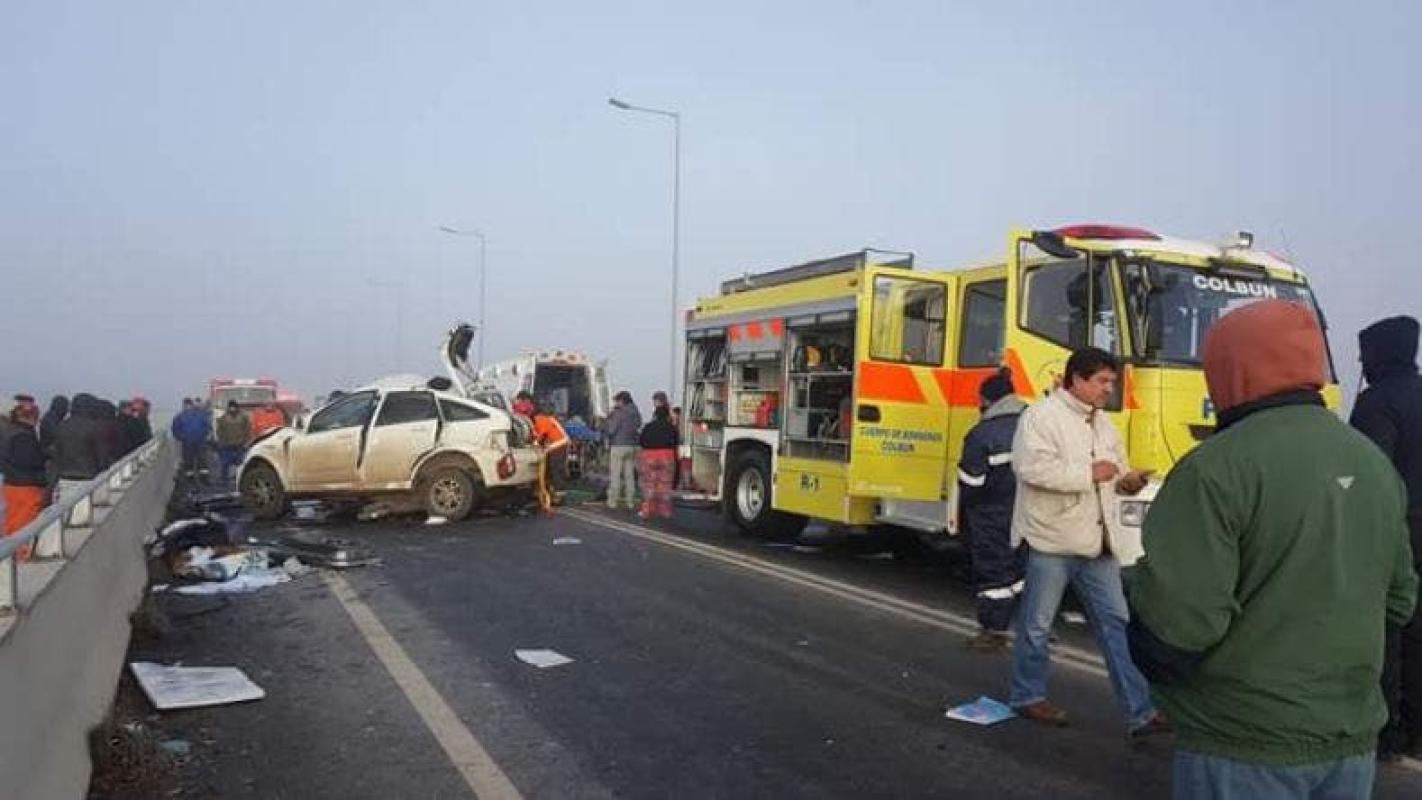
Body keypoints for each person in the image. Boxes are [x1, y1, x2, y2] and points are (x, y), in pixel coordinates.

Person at [1129, 300, 1417, 798]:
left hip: (1241, 740)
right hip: (1349, 740)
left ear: (1230, 369)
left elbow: (1176, 630)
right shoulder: (1372, 464)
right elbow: (1399, 601)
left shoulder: (1215, 469)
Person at [1006, 346, 1164, 735]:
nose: (1109, 389)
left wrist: (1128, 481)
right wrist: (1089, 472)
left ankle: (1141, 712)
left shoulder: (1103, 423)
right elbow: (1030, 469)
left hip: (1098, 542)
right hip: (1052, 539)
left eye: (1112, 381)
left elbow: (1114, 471)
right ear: (1076, 379)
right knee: (1038, 624)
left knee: (1118, 626)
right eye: (1102, 381)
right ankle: (1027, 696)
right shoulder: (1041, 416)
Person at [1350, 315, 1422, 760]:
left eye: (1364, 356)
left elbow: (1366, 475)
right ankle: (1416, 727)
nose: (1361, 364)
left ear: (1379, 356)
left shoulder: (1376, 403)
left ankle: (1387, 733)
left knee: (1386, 628)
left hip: (1396, 530)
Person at [958, 367, 1027, 651]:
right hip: (1029, 514)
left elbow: (971, 482)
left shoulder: (982, 434)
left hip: (991, 516)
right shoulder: (1034, 423)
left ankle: (993, 632)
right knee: (1023, 572)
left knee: (994, 575)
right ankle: (1033, 628)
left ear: (987, 400)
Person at [0, 401, 47, 559]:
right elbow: (30, 461)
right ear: (32, 417)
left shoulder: (9, 432)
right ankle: (21, 556)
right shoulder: (25, 436)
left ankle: (9, 557)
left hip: (10, 484)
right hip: (27, 486)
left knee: (11, 520)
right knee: (26, 522)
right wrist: (44, 458)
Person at [54, 393, 107, 505]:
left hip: (64, 480)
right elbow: (102, 458)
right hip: (88, 480)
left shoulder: (62, 426)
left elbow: (56, 454)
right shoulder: (95, 427)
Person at [637, 406, 679, 520]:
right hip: (667, 455)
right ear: (667, 416)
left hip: (649, 456)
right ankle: (664, 510)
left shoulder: (648, 426)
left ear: (655, 415)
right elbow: (675, 443)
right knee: (664, 485)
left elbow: (641, 441)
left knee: (649, 484)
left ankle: (647, 510)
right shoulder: (672, 428)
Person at [603, 391, 642, 511]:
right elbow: (638, 426)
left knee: (615, 474)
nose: (615, 403)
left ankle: (612, 501)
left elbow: (611, 430)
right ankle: (630, 501)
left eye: (616, 401)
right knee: (629, 475)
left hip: (618, 445)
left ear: (621, 401)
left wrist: (609, 419)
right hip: (632, 446)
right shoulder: (636, 412)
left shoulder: (619, 412)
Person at [531, 402, 570, 514]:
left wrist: (535, 443)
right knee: (552, 469)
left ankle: (559, 496)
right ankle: (552, 492)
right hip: (559, 443)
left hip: (558, 444)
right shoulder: (548, 419)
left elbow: (541, 434)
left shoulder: (541, 420)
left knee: (556, 469)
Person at [170, 398, 211, 483]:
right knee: (188, 461)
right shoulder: (179, 417)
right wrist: (182, 437)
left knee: (202, 460)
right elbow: (175, 429)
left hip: (200, 441)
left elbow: (207, 426)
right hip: (187, 443)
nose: (188, 407)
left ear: (191, 405)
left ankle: (204, 478)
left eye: (189, 405)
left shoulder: (200, 414)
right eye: (186, 405)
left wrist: (204, 435)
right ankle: (190, 479)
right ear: (183, 406)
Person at [214, 401, 253, 484]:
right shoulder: (223, 418)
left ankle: (241, 479)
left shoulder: (243, 417)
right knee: (225, 464)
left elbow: (248, 430)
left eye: (234, 407)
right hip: (227, 445)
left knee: (241, 464)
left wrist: (247, 442)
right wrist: (220, 442)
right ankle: (224, 480)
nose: (232, 409)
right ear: (228, 408)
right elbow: (219, 431)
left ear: (237, 407)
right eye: (231, 407)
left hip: (240, 444)